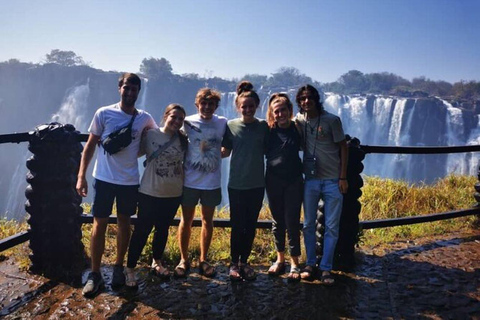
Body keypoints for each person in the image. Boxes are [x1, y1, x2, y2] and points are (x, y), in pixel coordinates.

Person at [76, 73, 156, 296]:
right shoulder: (103, 113)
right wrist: (81, 176)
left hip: (129, 181)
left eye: (134, 89)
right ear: (119, 88)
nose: (130, 93)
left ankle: (119, 268)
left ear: (138, 92)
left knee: (124, 223)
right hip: (103, 178)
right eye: (126, 88)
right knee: (98, 224)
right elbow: (90, 146)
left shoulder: (145, 118)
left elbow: (156, 137)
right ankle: (95, 273)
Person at [125, 104, 187, 288]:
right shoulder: (150, 135)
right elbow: (133, 152)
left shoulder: (183, 140)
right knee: (141, 231)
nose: (176, 121)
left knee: (162, 229)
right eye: (173, 117)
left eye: (180, 119)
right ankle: (129, 269)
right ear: (165, 115)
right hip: (149, 192)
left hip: (173, 193)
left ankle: (157, 262)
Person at [294, 84, 348, 285]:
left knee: (332, 227)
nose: (306, 101)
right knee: (308, 224)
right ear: (299, 102)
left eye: (309, 98)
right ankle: (309, 264)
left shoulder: (332, 120)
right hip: (311, 181)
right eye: (302, 99)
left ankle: (326, 268)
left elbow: (343, 147)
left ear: (316, 99)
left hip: (333, 181)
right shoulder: (299, 120)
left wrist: (343, 177)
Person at [176, 88, 227, 278]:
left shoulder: (222, 123)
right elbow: (173, 137)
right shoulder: (187, 122)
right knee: (186, 220)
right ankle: (184, 259)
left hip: (211, 182)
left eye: (211, 104)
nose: (207, 107)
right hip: (189, 180)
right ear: (197, 104)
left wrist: (226, 150)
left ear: (216, 106)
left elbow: (228, 143)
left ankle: (203, 259)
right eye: (203, 103)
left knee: (208, 220)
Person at [222, 81, 269, 281]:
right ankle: (234, 262)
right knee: (237, 224)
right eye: (244, 106)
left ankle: (245, 262)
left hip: (257, 184)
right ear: (238, 107)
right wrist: (198, 148)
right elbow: (224, 151)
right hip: (236, 184)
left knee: (250, 225)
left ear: (257, 106)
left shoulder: (264, 126)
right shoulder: (231, 126)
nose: (247, 109)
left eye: (251, 106)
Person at [265, 93, 303, 282]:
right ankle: (280, 259)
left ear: (290, 111)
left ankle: (294, 262)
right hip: (273, 180)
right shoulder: (268, 131)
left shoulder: (298, 129)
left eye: (283, 110)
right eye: (276, 111)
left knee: (292, 221)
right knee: (277, 220)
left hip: (294, 180)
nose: (280, 114)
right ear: (272, 114)